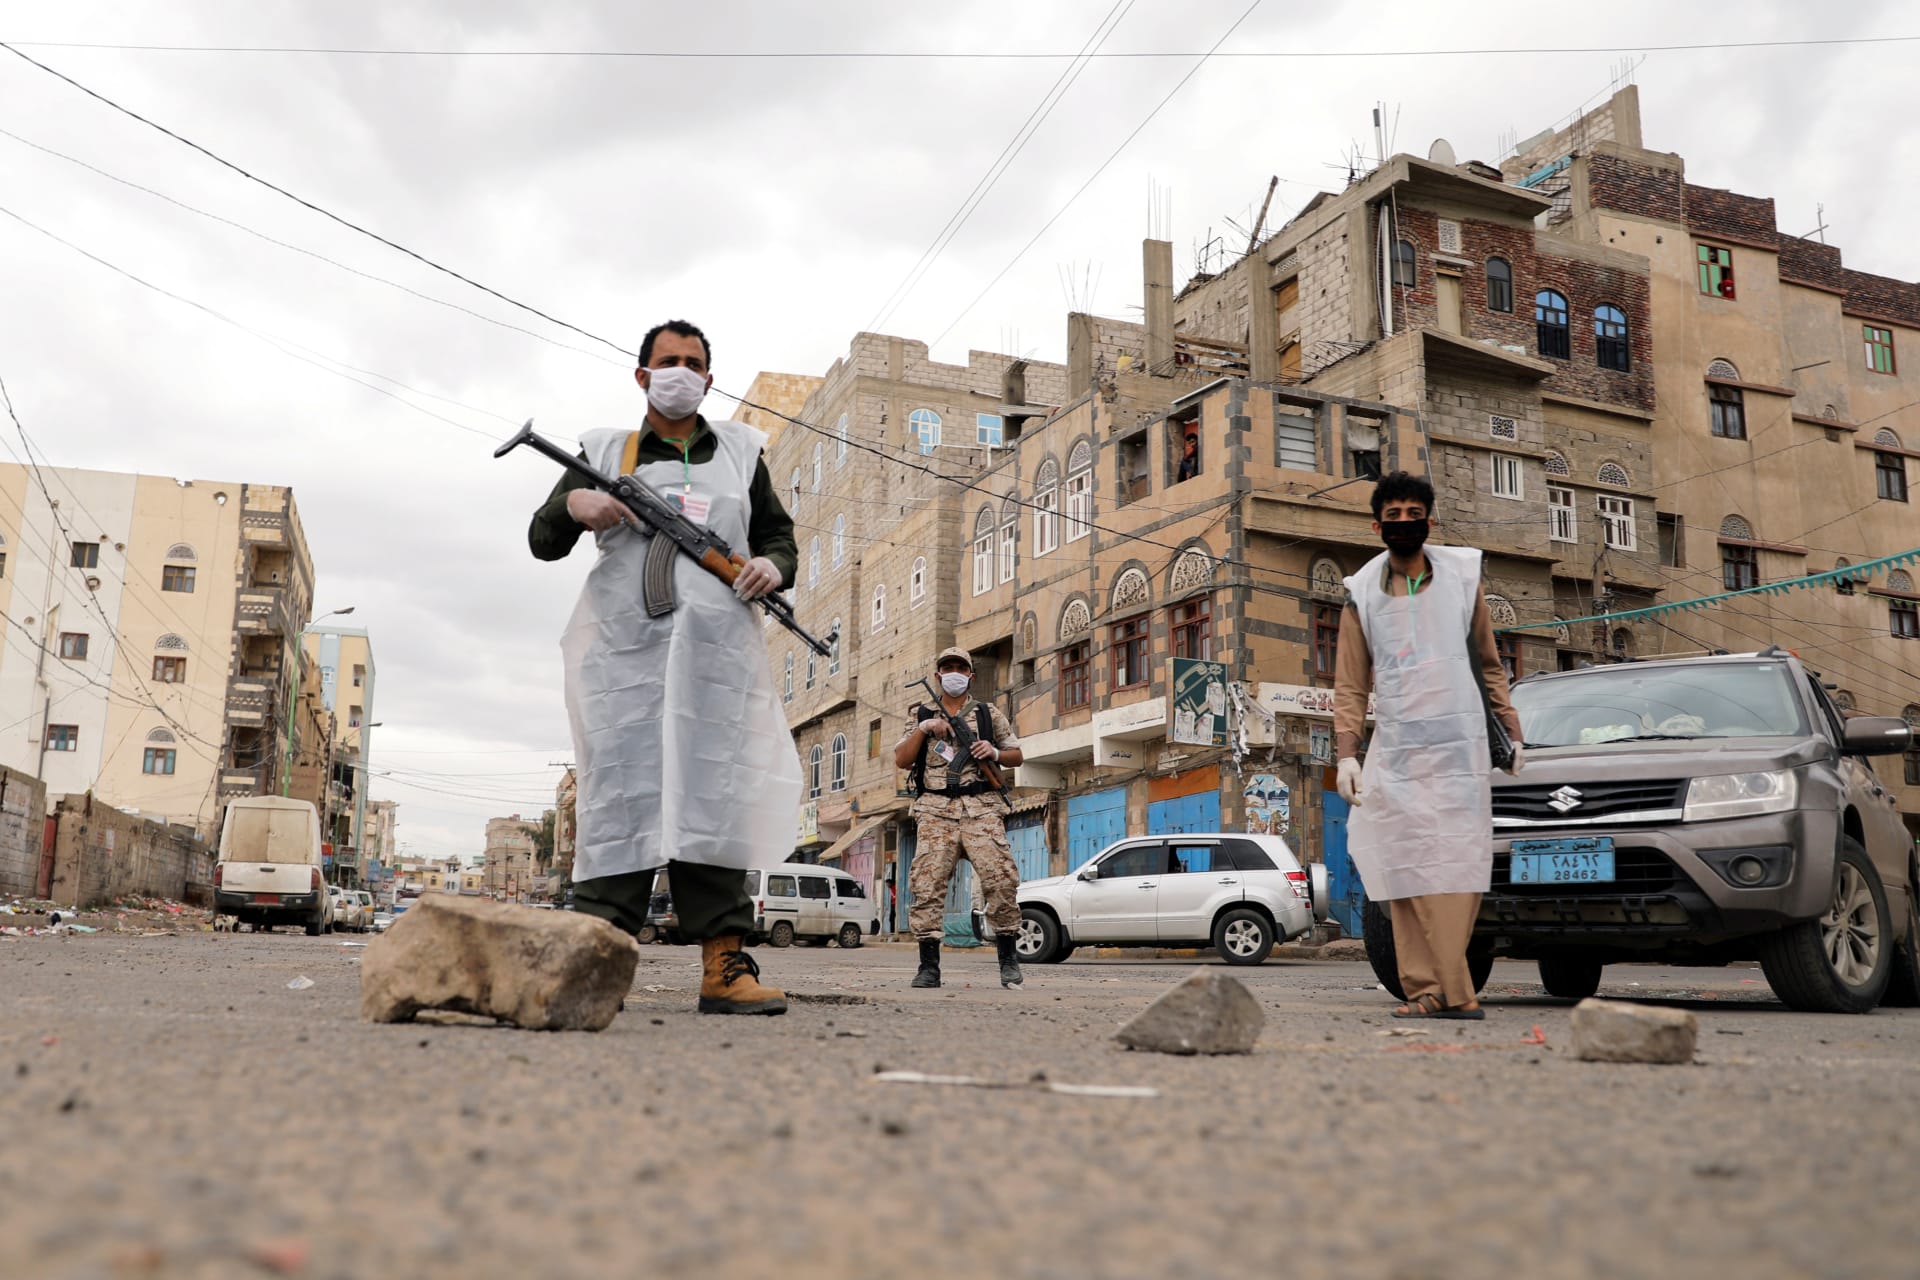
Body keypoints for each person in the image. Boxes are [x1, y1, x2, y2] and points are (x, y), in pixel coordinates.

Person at [528, 318, 799, 1016]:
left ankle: (724, 968)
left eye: (694, 363)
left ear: (710, 378)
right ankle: (591, 961)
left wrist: (773, 565)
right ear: (642, 375)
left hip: (717, 661)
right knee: (621, 798)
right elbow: (542, 540)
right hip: (626, 658)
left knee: (713, 798)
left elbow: (776, 535)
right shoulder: (602, 448)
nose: (682, 371)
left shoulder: (741, 451)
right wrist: (573, 503)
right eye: (668, 361)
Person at [1333, 471, 1524, 1020]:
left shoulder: (1464, 579)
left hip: (1460, 748)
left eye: (1411, 513)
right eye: (1391, 516)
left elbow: (1490, 663)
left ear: (1429, 520)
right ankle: (1429, 991)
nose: (1402, 523)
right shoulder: (1361, 593)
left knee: (1458, 868)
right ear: (1377, 526)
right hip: (1398, 751)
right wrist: (1348, 752)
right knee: (1402, 866)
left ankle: (1451, 988)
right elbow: (1350, 683)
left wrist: (1511, 732)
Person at [892, 647, 1026, 989]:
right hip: (936, 810)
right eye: (947, 667)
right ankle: (928, 967)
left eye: (960, 668)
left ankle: (1009, 961)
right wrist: (924, 728)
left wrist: (992, 751)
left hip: (981, 808)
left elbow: (1017, 755)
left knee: (1001, 880)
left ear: (971, 675)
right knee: (926, 886)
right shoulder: (920, 711)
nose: (954, 672)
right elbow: (902, 759)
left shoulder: (986, 712)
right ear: (937, 675)